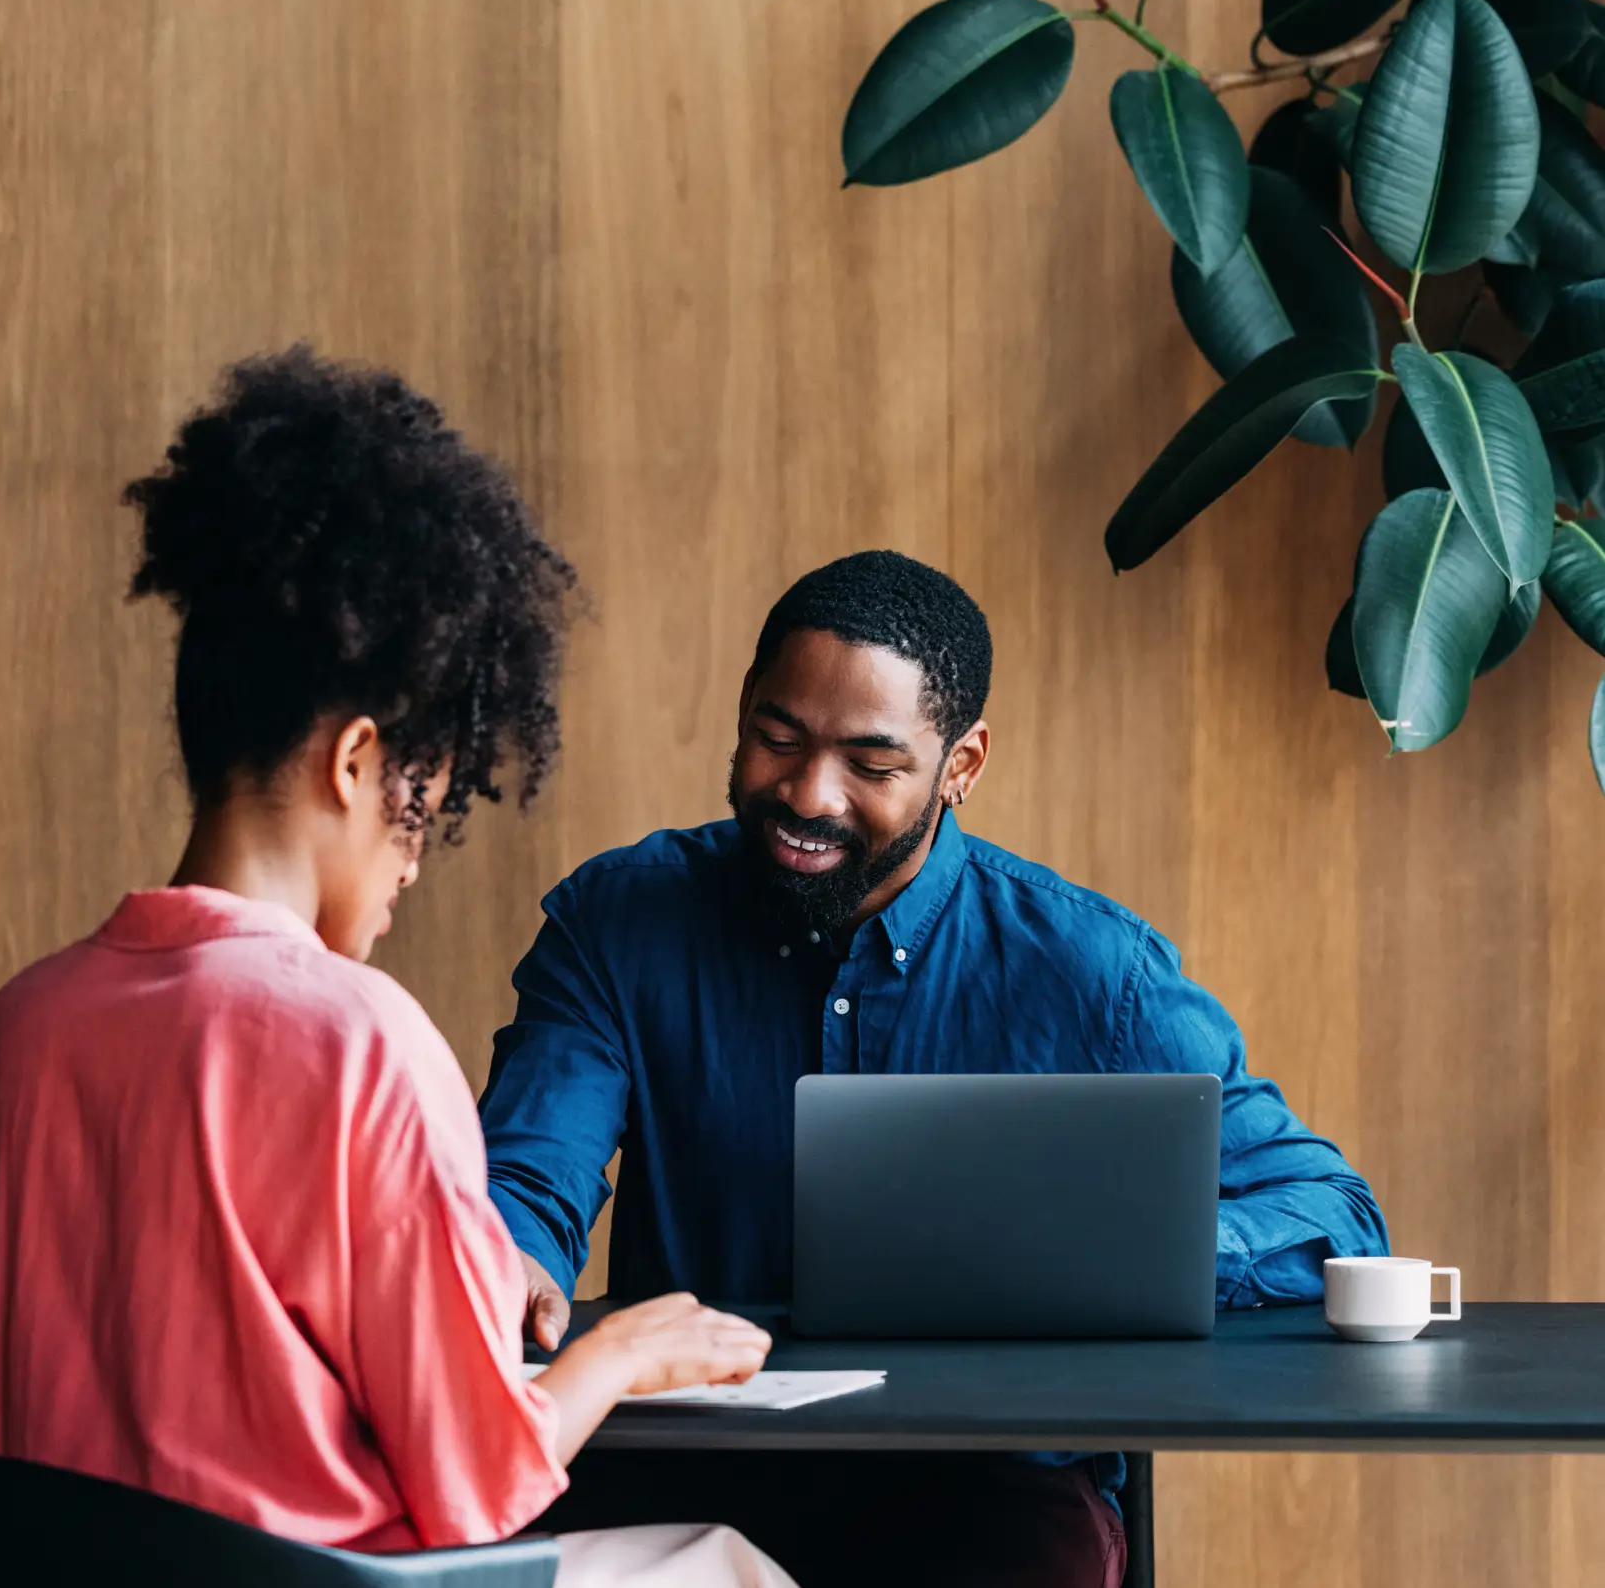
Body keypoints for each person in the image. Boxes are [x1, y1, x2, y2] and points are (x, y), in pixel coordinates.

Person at [0, 349, 798, 1588]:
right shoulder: (366, 1043)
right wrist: (617, 1357)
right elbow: (477, 1487)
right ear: (357, 763)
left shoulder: (25, 1024)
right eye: (427, 805)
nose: (415, 863)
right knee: (724, 1563)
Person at [480, 549, 1392, 1588]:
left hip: (983, 1488)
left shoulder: (1094, 971)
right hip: (691, 1454)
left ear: (962, 764)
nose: (808, 794)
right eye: (778, 738)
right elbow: (529, 1177)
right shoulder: (618, 922)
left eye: (871, 766)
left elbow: (1336, 1213)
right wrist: (509, 1258)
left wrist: (1120, 1251)